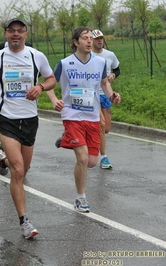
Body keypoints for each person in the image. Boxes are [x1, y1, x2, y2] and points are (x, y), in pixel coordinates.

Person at [0, 18, 60, 239]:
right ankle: (25, 221)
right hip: (6, 119)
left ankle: (1, 158)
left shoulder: (37, 56)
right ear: (5, 34)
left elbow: (52, 79)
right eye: (11, 31)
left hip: (30, 120)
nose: (15, 34)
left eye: (20, 31)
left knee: (24, 170)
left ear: (26, 34)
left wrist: (40, 86)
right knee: (17, 170)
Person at [53, 27, 121, 213]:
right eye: (85, 38)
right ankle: (80, 198)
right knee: (82, 158)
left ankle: (67, 137)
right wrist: (54, 100)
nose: (89, 41)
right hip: (71, 115)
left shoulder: (100, 62)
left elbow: (104, 83)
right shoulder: (65, 63)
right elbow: (49, 81)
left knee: (91, 161)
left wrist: (113, 95)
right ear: (76, 42)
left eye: (91, 38)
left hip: (91, 116)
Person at [92, 29, 120, 169]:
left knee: (106, 128)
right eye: (97, 38)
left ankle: (87, 133)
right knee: (101, 125)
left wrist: (113, 76)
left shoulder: (110, 55)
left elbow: (117, 69)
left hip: (106, 94)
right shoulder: (87, 55)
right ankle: (104, 158)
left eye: (101, 38)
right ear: (91, 40)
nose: (100, 41)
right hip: (92, 95)